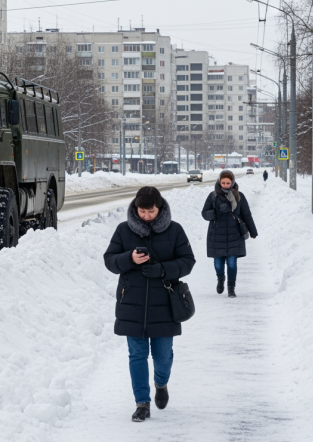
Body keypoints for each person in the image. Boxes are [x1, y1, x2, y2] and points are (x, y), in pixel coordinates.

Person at [104, 187, 196, 422]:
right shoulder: (123, 230)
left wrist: (163, 269)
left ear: (160, 208)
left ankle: (161, 383)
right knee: (137, 354)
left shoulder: (175, 230)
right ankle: (142, 403)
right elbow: (110, 261)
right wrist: (129, 259)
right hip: (131, 303)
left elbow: (188, 261)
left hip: (165, 304)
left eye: (151, 211)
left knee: (163, 356)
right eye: (142, 211)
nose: (146, 215)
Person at [202, 170, 258, 298]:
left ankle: (231, 287)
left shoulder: (239, 196)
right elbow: (204, 213)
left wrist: (253, 231)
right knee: (218, 264)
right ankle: (220, 279)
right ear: (219, 182)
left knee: (232, 263)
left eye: (228, 183)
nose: (226, 185)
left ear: (232, 182)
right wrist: (215, 213)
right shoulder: (213, 196)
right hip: (217, 235)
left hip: (235, 234)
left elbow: (247, 215)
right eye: (223, 183)